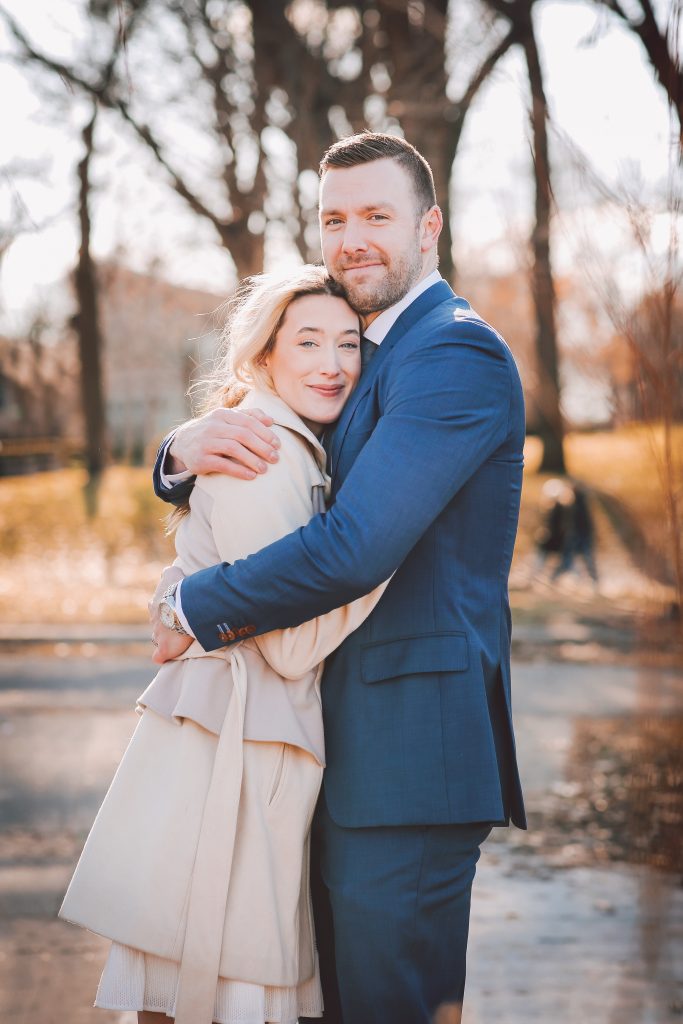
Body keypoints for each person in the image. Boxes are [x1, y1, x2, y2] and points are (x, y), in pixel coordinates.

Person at [152, 132, 527, 1024]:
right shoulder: (363, 351)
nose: (350, 237)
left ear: (428, 226)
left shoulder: (452, 355)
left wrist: (191, 605)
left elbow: (354, 545)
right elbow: (280, 443)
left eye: (375, 216)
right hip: (345, 754)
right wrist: (175, 454)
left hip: (410, 758)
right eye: (332, 219)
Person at [58, 265, 390, 1024]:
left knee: (203, 984)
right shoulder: (262, 451)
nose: (332, 363)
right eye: (306, 341)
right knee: (216, 985)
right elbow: (290, 648)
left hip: (243, 743)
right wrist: (382, 558)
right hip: (231, 753)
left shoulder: (291, 444)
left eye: (348, 344)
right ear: (263, 356)